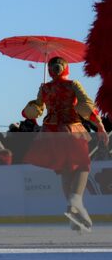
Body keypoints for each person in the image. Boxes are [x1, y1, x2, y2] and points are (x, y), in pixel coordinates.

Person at [22, 56, 109, 231]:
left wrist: (41, 98)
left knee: (65, 170)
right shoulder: (73, 85)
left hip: (50, 133)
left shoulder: (45, 88)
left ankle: (73, 213)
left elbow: (33, 112)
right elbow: (86, 106)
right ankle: (75, 202)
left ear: (50, 70)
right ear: (65, 68)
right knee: (83, 166)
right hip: (71, 129)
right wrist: (99, 124)